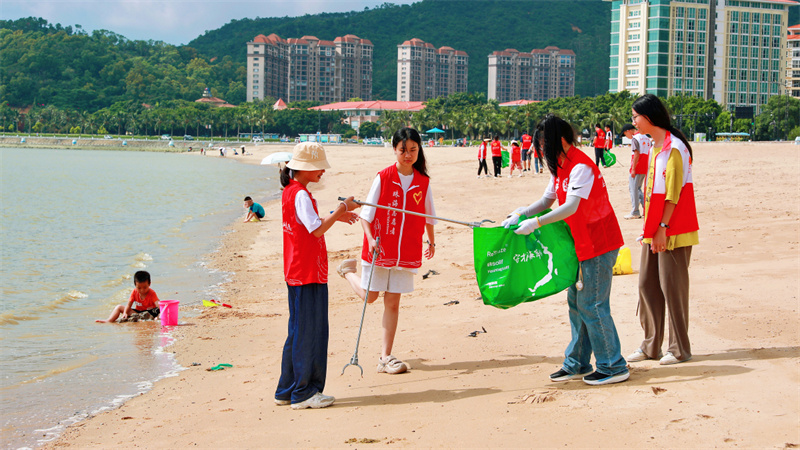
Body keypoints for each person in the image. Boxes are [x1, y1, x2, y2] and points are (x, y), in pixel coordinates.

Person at [502, 114, 629, 386]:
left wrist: (534, 223)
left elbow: (570, 206)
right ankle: (577, 363)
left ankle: (613, 365)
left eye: (544, 144)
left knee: (593, 304)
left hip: (599, 243)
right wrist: (521, 213)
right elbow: (548, 199)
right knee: (576, 303)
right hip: (579, 244)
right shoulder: (559, 165)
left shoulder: (581, 166)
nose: (541, 151)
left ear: (559, 141)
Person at [338, 127, 436, 375]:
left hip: (407, 251)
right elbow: (366, 216)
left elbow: (428, 216)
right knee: (371, 297)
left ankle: (385, 357)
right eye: (403, 150)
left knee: (392, 302)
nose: (408, 155)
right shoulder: (383, 177)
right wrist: (371, 239)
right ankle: (348, 272)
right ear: (394, 149)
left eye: (413, 150)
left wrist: (431, 242)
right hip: (380, 248)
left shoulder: (423, 182)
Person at [275, 142, 360, 409]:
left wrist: (337, 216)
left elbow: (310, 222)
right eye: (318, 167)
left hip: (296, 270)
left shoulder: (291, 191)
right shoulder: (299, 193)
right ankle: (304, 392)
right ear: (305, 169)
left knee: (298, 330)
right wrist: (342, 209)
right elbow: (315, 230)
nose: (322, 171)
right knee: (310, 332)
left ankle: (286, 389)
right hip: (308, 272)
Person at [627, 94, 699, 366]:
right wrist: (650, 229)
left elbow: (674, 193)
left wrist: (663, 229)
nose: (633, 122)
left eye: (635, 117)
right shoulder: (655, 147)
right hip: (653, 227)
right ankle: (650, 345)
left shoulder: (675, 147)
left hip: (673, 229)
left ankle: (679, 348)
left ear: (649, 117)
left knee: (673, 289)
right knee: (647, 284)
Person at [621, 123, 652, 219]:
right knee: (638, 189)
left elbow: (636, 154)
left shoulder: (635, 138)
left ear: (628, 131)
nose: (627, 137)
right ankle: (647, 209)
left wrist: (633, 169)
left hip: (637, 167)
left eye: (625, 134)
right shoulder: (646, 137)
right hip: (645, 166)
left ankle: (635, 211)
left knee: (633, 189)